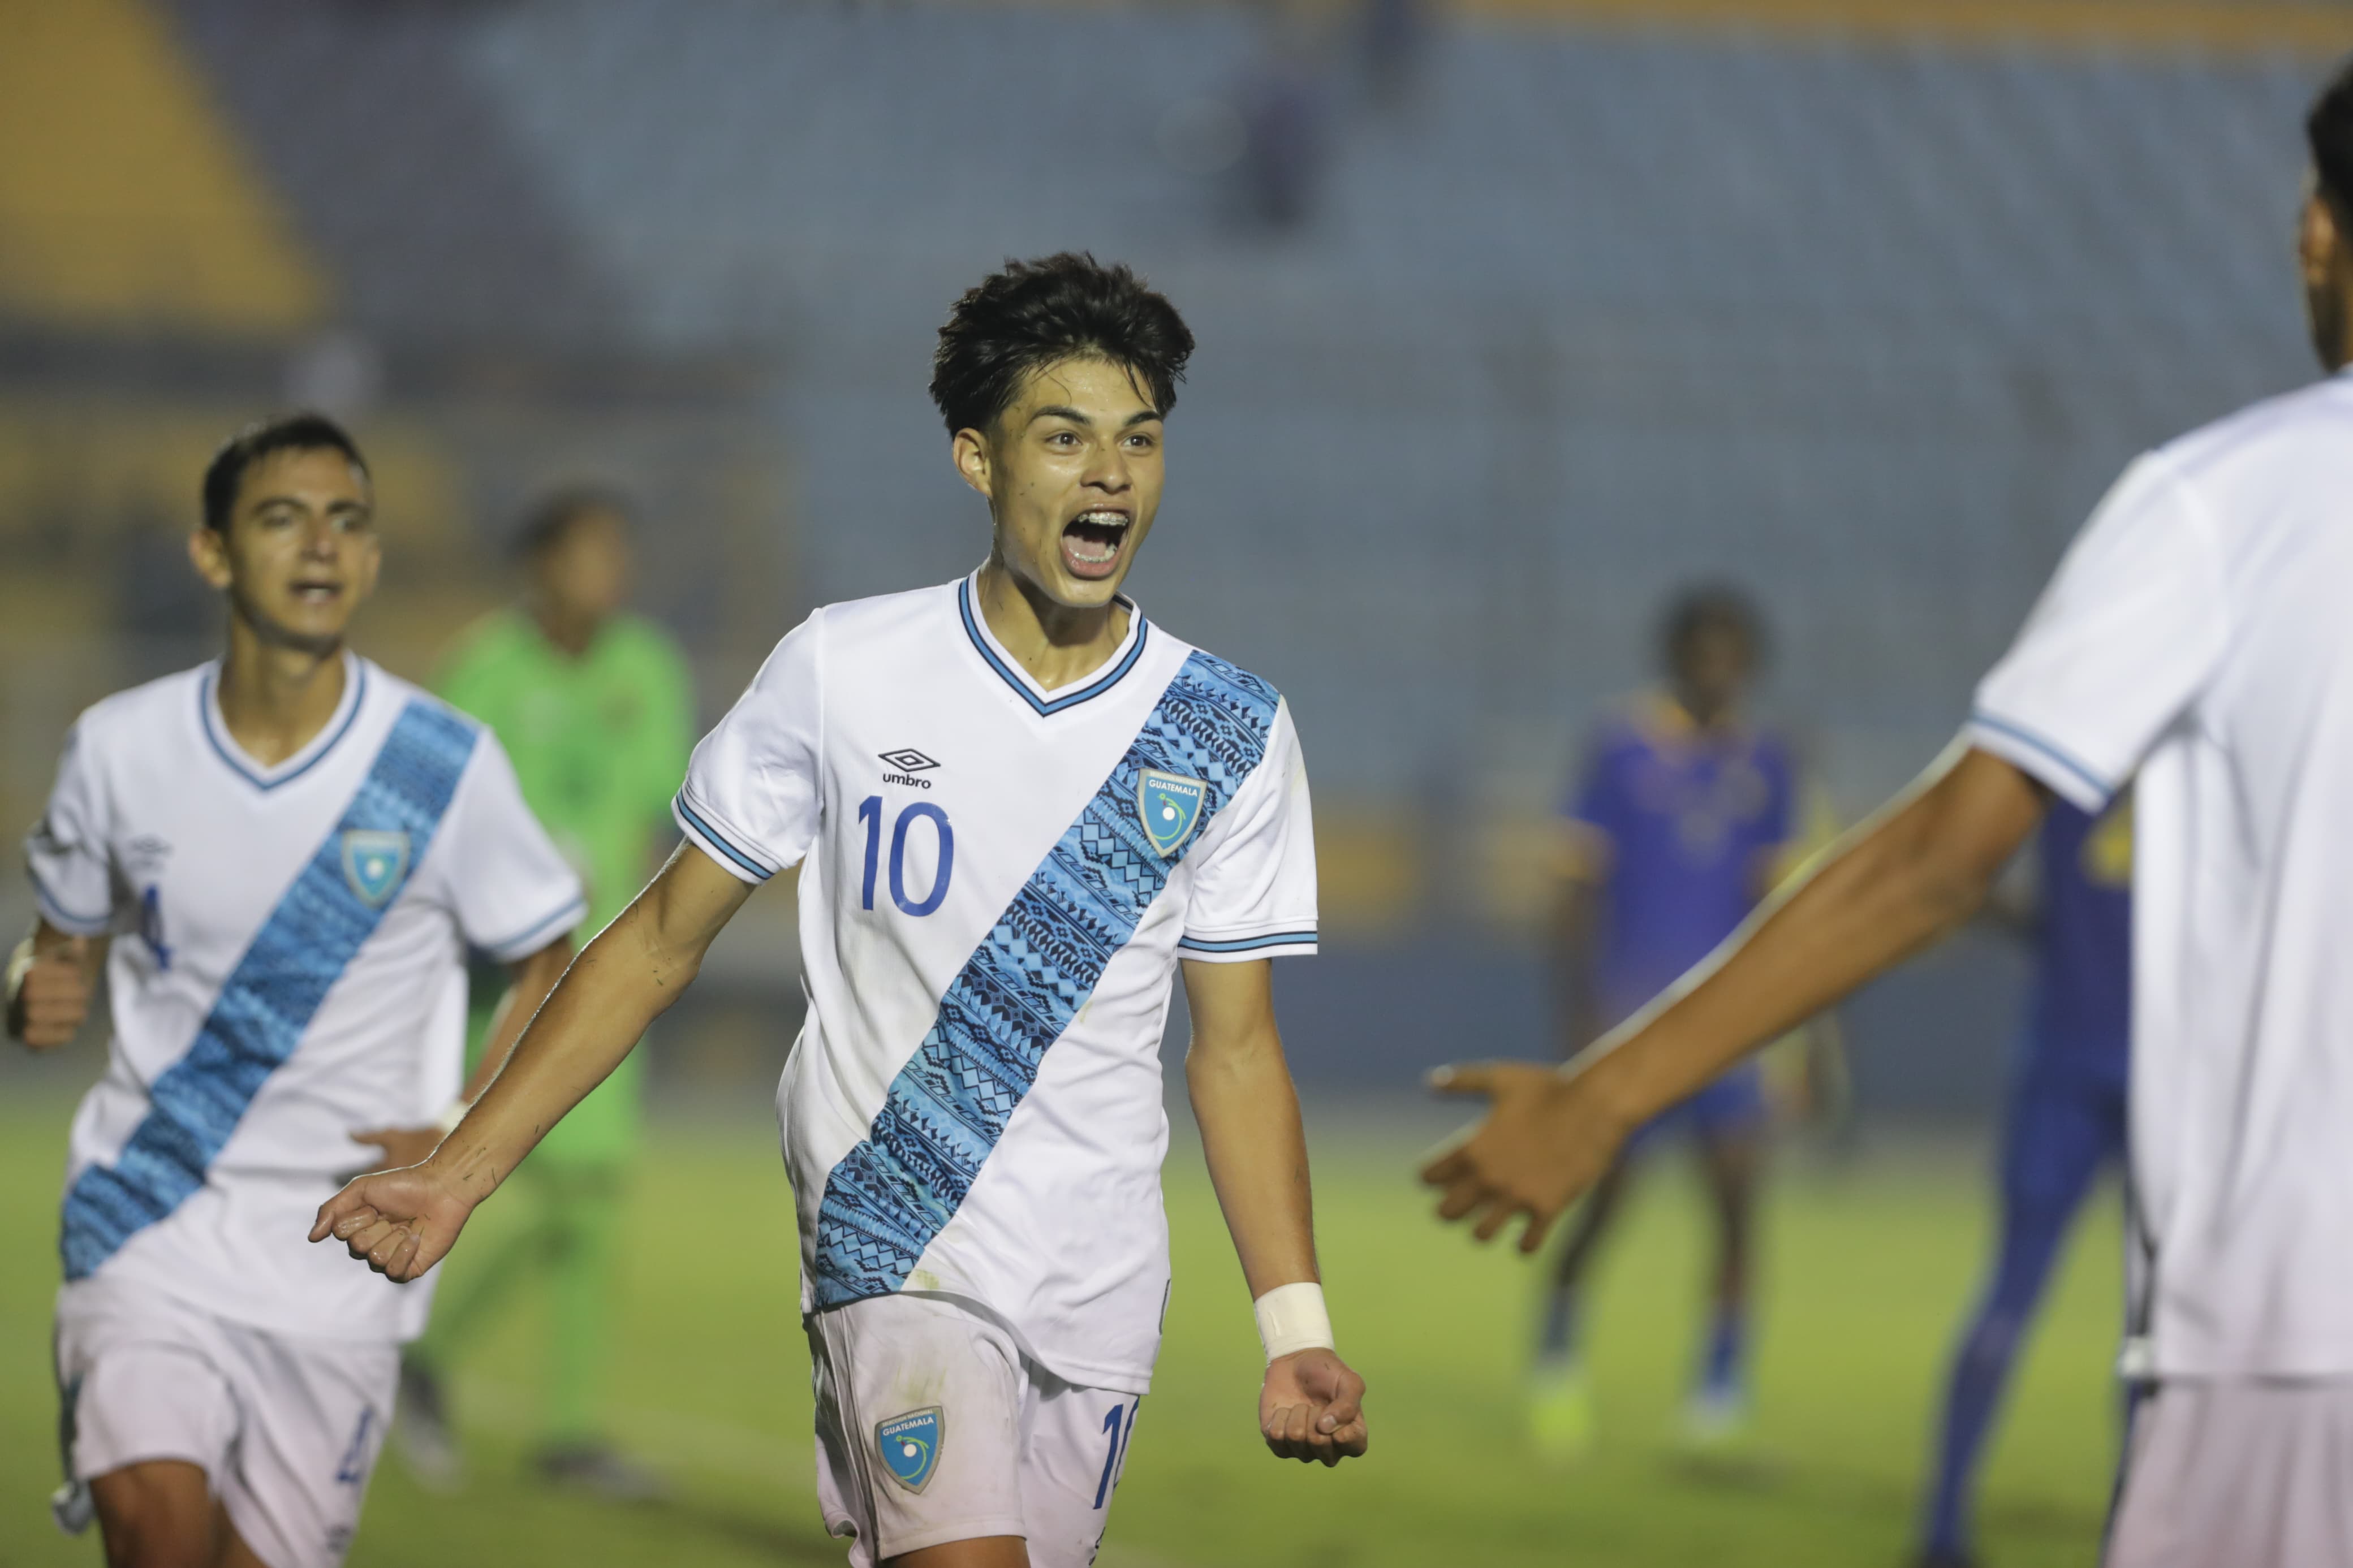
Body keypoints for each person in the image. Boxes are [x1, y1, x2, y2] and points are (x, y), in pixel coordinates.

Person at [1423, 59, 2353, 1567]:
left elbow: (1936, 859)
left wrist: (1600, 1095)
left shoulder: (2224, 506)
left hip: (2297, 1330)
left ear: (2317, 229)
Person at [314, 253, 1371, 1568]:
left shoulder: (1227, 730)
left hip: (1101, 1276)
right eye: (1064, 438)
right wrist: (456, 1173)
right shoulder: (843, 671)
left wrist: (1294, 1326)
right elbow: (659, 940)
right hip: (894, 1232)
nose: (1110, 474)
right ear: (978, 460)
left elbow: (1237, 1049)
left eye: (1139, 440)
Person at [6, 414, 581, 1568]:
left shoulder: (442, 763)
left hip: (343, 1251)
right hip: (148, 1218)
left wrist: (461, 1124)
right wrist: (28, 987)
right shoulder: (117, 747)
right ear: (213, 551)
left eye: (347, 520)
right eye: (282, 517)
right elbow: (56, 950)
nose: (321, 544)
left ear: (371, 557)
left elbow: (552, 961)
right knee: (154, 1535)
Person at [395, 489, 695, 1497]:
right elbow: (430, 809)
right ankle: (411, 1351)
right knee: (529, 1184)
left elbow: (654, 812)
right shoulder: (485, 669)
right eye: (587, 554)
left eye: (617, 553)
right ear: (541, 566)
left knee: (591, 1204)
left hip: (605, 972)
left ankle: (560, 1425)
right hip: (504, 974)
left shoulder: (646, 667)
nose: (608, 573)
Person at [1529, 588, 1797, 1458]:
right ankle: (1558, 1356)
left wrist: (1788, 1034)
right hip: (1633, 1023)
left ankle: (1720, 1390)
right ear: (1675, 658)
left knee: (1737, 1206)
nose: (1718, 673)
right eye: (1703, 655)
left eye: (1732, 659)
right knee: (1606, 1200)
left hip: (1727, 1034)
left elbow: (1776, 909)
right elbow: (1576, 889)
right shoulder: (1620, 747)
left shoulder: (1769, 762)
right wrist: (1580, 1015)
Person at [1919, 798, 2131, 1568]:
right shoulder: (2212, 765)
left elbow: (1959, 873)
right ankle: (2135, 1533)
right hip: (2175, 1070)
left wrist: (2062, 925)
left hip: (2059, 1059)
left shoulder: (2071, 766)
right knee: (2160, 1319)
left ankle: (1943, 1528)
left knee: (2008, 1292)